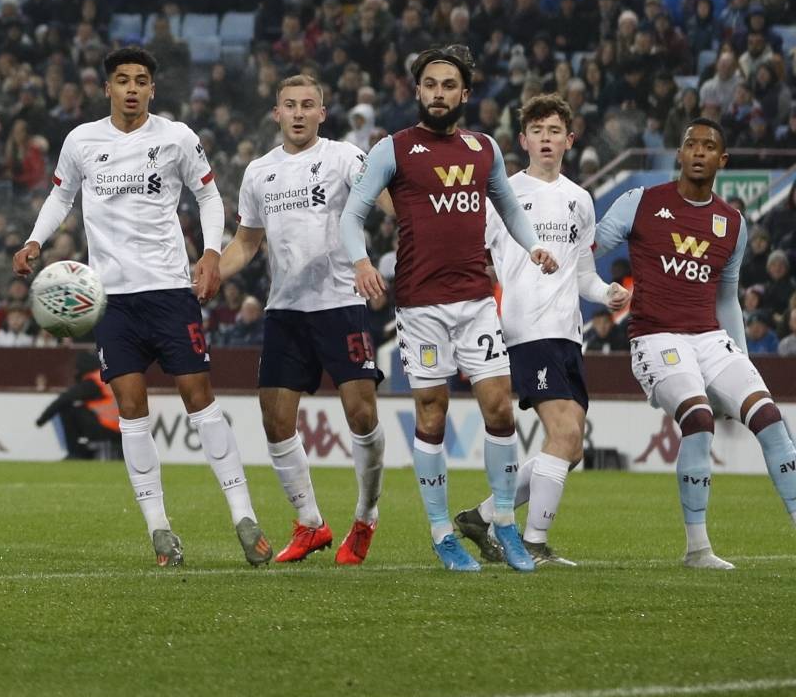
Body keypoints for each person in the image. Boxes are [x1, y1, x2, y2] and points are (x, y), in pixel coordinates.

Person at [14, 46, 269, 568]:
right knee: (131, 409)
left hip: (170, 291)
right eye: (123, 80)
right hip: (110, 300)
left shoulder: (177, 138)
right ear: (107, 87)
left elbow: (209, 197)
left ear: (153, 88)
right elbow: (61, 198)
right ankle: (160, 530)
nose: (132, 88)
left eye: (142, 80)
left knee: (200, 398)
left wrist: (212, 254)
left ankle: (243, 515)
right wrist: (35, 241)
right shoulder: (81, 141)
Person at [340, 44, 560, 573]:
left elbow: (506, 205)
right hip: (420, 306)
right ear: (418, 91)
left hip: (477, 300)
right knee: (432, 416)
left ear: (465, 93)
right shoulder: (393, 149)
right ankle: (441, 531)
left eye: (448, 86)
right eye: (430, 85)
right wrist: (362, 263)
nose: (439, 94)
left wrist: (532, 245)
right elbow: (353, 214)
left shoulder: (484, 148)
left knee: (499, 408)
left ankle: (505, 522)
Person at [595, 117, 796, 568]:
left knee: (770, 419)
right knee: (699, 419)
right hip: (655, 336)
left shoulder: (732, 223)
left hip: (710, 338)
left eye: (709, 146)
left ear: (722, 159)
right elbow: (589, 249)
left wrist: (738, 359)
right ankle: (698, 549)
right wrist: (592, 290)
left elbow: (727, 298)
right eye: (691, 144)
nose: (700, 151)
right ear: (680, 155)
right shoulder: (641, 202)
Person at [218, 74, 389, 566]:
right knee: (275, 420)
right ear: (276, 113)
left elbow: (384, 201)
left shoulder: (344, 158)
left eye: (307, 104)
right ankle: (311, 523)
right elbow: (247, 243)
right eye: (289, 105)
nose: (297, 112)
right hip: (285, 310)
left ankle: (366, 516)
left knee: (361, 414)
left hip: (340, 303)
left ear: (322, 112)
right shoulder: (258, 172)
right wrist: (207, 270)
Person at [455, 94, 629, 567]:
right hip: (528, 328)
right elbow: (476, 255)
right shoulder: (504, 196)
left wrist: (606, 292)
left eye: (555, 131)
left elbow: (583, 272)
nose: (547, 139)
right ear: (524, 140)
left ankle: (482, 515)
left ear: (569, 140)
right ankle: (532, 543)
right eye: (538, 131)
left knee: (568, 448)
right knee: (566, 434)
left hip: (568, 333)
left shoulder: (580, 199)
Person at [36, 351, 122, 459]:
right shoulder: (106, 378)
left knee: (68, 409)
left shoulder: (92, 382)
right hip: (120, 429)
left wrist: (41, 420)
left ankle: (74, 453)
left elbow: (64, 399)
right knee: (82, 408)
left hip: (107, 428)